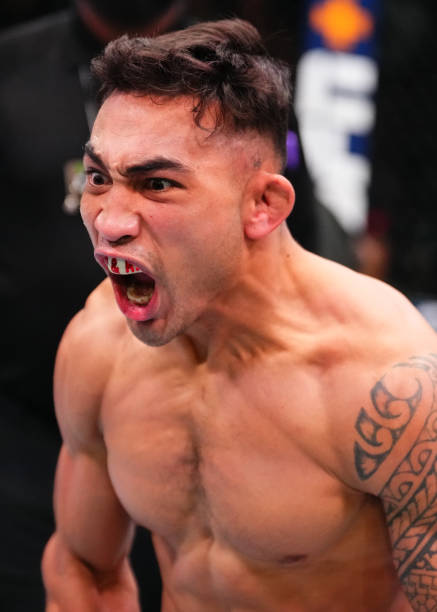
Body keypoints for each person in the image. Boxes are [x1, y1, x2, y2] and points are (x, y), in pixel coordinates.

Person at [42, 18, 437, 611]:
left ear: (263, 205)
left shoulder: (387, 387)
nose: (109, 221)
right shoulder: (99, 344)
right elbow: (82, 567)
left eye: (157, 184)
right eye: (99, 178)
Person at [0, 1, 191, 609]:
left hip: (191, 422)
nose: (113, 220)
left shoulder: (234, 80)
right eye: (99, 179)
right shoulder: (10, 67)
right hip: (27, 422)